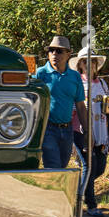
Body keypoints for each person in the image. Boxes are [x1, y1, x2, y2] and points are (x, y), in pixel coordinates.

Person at [32, 34, 86, 169]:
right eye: (51, 50)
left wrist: (88, 131)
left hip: (67, 130)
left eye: (59, 51)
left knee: (62, 167)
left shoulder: (75, 76)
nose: (54, 53)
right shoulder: (40, 74)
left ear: (68, 54)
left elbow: (80, 105)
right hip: (47, 129)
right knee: (53, 167)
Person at [70, 45, 109, 216]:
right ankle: (90, 204)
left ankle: (74, 193)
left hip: (101, 129)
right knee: (89, 167)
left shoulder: (102, 83)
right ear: (80, 65)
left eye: (92, 62)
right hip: (81, 129)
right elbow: (73, 107)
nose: (89, 65)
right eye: (85, 62)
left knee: (99, 167)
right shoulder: (77, 82)